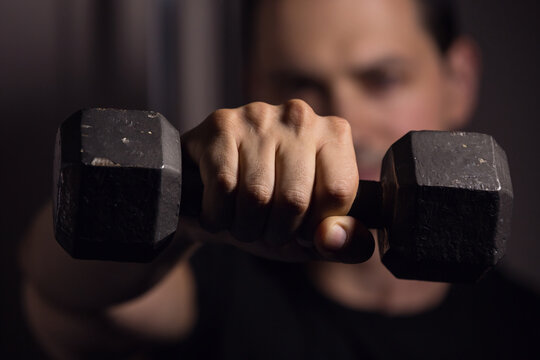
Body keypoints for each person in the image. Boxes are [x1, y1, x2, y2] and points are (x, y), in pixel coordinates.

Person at [20, 0, 539, 359]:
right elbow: (61, 300)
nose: (345, 122)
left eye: (382, 80)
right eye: (298, 83)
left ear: (458, 81)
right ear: (253, 90)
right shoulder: (208, 286)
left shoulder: (522, 330)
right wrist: (185, 215)